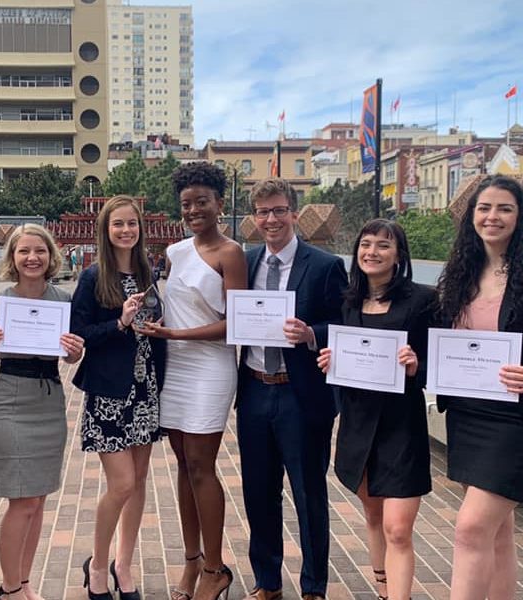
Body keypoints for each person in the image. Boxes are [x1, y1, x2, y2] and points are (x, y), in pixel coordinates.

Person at [435, 175, 523, 600]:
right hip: (470, 416)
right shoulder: (460, 273)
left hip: (522, 421)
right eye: (484, 208)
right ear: (471, 216)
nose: (493, 216)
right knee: (497, 533)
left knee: (470, 529)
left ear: (521, 216)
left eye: (504, 208)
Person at [139, 162, 246, 600]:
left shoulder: (231, 252)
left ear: (220, 203)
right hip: (176, 367)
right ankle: (191, 561)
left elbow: (236, 323)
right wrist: (153, 323)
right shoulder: (175, 251)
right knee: (183, 464)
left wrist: (173, 333)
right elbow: (173, 304)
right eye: (186, 204)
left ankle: (216, 568)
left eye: (202, 202)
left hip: (210, 367)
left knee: (202, 466)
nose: (194, 210)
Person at [236, 178, 347, 600]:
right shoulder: (244, 262)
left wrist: (310, 333)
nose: (271, 219)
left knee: (308, 493)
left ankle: (314, 585)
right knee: (259, 492)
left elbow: (345, 322)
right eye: (263, 212)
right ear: (254, 218)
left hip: (300, 394)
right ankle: (267, 581)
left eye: (279, 210)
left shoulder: (324, 265)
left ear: (294, 213)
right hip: (254, 389)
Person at [317, 219, 436, 600]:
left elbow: (439, 362)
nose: (372, 252)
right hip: (358, 422)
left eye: (383, 246)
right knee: (372, 514)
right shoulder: (348, 302)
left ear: (399, 254)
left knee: (398, 527)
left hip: (402, 425)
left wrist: (418, 364)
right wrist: (331, 360)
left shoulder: (422, 300)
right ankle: (384, 589)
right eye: (365, 244)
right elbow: (345, 356)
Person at [0, 223, 84, 600]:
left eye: (40, 251)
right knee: (23, 500)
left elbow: (70, 357)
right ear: (13, 258)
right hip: (10, 399)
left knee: (38, 499)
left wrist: (74, 350)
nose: (32, 258)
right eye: (24, 251)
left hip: (49, 398)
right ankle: (9, 587)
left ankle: (24, 582)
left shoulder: (64, 300)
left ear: (51, 256)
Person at [70, 196, 167, 600]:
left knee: (140, 480)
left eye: (132, 223)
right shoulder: (94, 277)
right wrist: (120, 323)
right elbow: (80, 334)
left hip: (146, 389)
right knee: (122, 484)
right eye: (118, 225)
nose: (126, 230)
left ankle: (123, 565)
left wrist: (157, 328)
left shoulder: (150, 273)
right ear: (106, 230)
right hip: (110, 393)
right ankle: (96, 564)